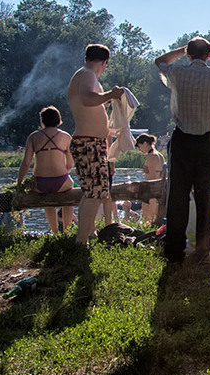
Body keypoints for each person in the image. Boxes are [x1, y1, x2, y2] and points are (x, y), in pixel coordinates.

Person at [156, 37, 210, 263]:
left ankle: (174, 252)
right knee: (206, 196)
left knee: (177, 196)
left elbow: (159, 61)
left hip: (182, 140)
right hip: (208, 141)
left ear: (189, 54)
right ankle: (202, 250)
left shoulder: (178, 74)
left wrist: (182, 51)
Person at [67, 44, 124, 243]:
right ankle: (81, 241)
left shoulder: (85, 76)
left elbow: (92, 104)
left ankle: (86, 235)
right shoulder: (87, 75)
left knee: (90, 193)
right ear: (104, 62)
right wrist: (110, 94)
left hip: (90, 142)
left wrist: (108, 102)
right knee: (95, 194)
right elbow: (86, 99)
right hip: (88, 142)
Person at [18, 106, 76, 234]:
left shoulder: (33, 137)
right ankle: (66, 232)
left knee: (48, 204)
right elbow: (70, 163)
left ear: (42, 121)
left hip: (39, 183)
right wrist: (63, 173)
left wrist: (19, 183)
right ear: (58, 120)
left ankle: (55, 232)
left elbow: (26, 163)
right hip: (61, 182)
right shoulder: (66, 136)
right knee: (69, 198)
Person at [134, 133, 165, 227]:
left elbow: (154, 175)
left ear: (145, 143)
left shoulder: (151, 156)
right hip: (159, 188)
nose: (139, 149)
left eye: (140, 146)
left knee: (148, 215)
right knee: (156, 213)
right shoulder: (160, 155)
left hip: (151, 189)